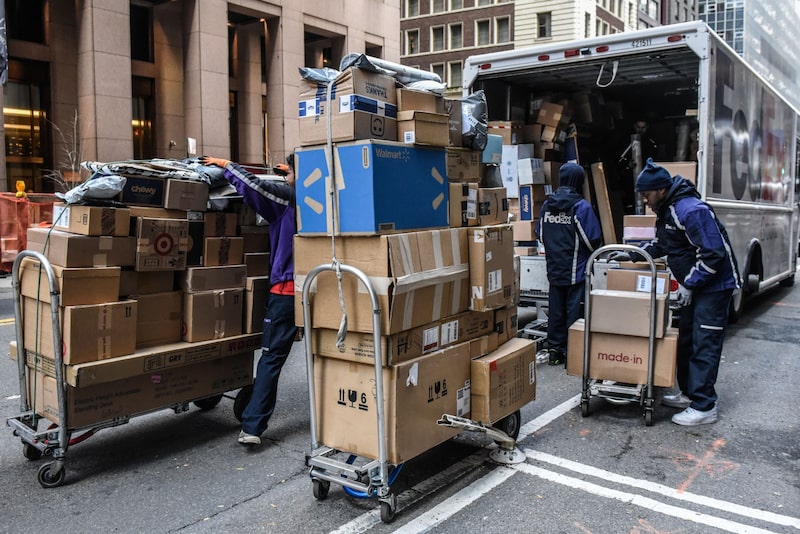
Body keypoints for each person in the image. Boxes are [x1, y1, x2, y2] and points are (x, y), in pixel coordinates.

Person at [616, 158, 740, 426]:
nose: (645, 201)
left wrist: (690, 283)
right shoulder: (667, 209)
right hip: (696, 287)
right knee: (685, 341)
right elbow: (664, 245)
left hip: (714, 288)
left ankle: (705, 405)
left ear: (661, 189)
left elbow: (713, 253)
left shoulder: (690, 210)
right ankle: (689, 394)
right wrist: (633, 254)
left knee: (703, 344)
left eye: (646, 195)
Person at [201, 154, 297, 446]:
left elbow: (254, 188)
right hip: (319, 287)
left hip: (287, 292)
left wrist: (226, 166)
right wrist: (288, 172)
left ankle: (253, 427)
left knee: (271, 359)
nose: (285, 174)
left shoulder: (286, 198)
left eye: (289, 169)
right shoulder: (327, 195)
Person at [538, 162, 602, 366]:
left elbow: (540, 235)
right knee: (574, 311)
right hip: (576, 269)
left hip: (554, 268)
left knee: (556, 309)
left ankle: (555, 350)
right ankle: (573, 353)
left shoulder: (547, 205)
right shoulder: (580, 207)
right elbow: (592, 239)